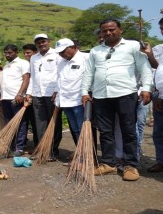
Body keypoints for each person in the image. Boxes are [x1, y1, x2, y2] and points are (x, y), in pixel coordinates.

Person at [81, 19, 152, 181]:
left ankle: (130, 166)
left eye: (112, 29)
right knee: (105, 131)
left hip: (125, 93)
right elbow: (89, 73)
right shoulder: (95, 51)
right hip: (101, 96)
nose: (108, 33)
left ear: (120, 30)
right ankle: (108, 164)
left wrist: (147, 87)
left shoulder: (133, 46)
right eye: (104, 31)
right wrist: (85, 92)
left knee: (128, 131)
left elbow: (144, 67)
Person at [25, 34, 62, 161]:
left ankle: (53, 151)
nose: (41, 44)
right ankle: (41, 149)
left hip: (52, 94)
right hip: (37, 94)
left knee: (54, 122)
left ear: (49, 42)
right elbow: (33, 77)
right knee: (39, 123)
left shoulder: (57, 54)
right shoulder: (34, 58)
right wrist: (29, 92)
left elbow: (60, 74)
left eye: (43, 41)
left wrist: (57, 90)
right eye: (38, 43)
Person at [54, 38, 88, 145]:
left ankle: (87, 155)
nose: (61, 54)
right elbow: (59, 81)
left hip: (79, 102)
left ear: (73, 47)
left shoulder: (86, 58)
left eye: (63, 51)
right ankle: (80, 155)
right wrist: (57, 98)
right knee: (76, 130)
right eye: (59, 52)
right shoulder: (61, 63)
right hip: (66, 102)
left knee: (84, 130)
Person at [0, 44, 30, 156]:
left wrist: (21, 94)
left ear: (16, 52)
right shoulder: (6, 65)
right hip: (5, 98)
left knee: (20, 123)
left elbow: (26, 79)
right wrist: (0, 96)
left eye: (10, 53)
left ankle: (19, 147)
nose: (7, 55)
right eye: (6, 53)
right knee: (9, 122)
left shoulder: (23, 63)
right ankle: (11, 146)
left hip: (16, 98)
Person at [148, 17, 163, 173]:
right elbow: (157, 69)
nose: (162, 31)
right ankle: (161, 160)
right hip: (160, 95)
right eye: (161, 28)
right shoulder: (159, 49)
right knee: (159, 131)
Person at [21, 43, 38, 145]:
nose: (26, 55)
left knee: (36, 121)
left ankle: (37, 144)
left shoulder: (36, 63)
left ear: (35, 52)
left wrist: (30, 93)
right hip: (25, 96)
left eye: (28, 53)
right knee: (26, 121)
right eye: (24, 53)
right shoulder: (25, 64)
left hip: (35, 96)